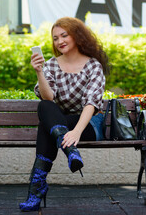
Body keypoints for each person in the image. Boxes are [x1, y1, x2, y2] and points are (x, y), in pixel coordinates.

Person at [19, 17, 110, 212]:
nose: (59, 41)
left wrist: (76, 132)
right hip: (61, 125)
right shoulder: (51, 64)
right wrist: (39, 72)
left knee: (47, 125)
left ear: (77, 36)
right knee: (45, 106)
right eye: (55, 38)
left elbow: (91, 103)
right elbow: (48, 96)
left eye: (64, 35)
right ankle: (70, 153)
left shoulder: (93, 66)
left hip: (88, 125)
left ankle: (36, 188)